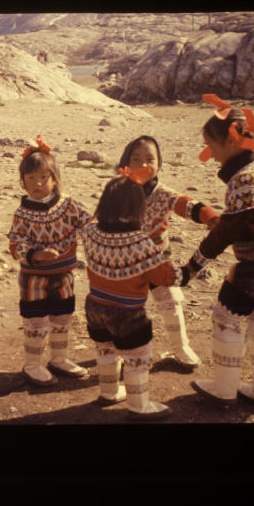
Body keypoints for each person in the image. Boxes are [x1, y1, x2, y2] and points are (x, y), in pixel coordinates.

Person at [181, 94, 254, 410]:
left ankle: (224, 389)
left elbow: (226, 234)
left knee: (226, 318)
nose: (212, 155)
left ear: (231, 141)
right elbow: (252, 218)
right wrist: (227, 221)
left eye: (214, 147)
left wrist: (190, 269)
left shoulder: (243, 180)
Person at [82, 167, 187, 420]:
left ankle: (108, 393)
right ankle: (139, 405)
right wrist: (192, 266)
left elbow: (117, 247)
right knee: (137, 357)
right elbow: (167, 276)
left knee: (105, 350)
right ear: (136, 209)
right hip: (128, 314)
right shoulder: (141, 244)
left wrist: (149, 237)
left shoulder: (89, 231)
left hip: (95, 307)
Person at [117, 135, 220, 370]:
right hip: (126, 264)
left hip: (159, 262)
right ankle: (127, 352)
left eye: (150, 159)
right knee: (129, 308)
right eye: (136, 159)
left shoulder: (162, 193)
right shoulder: (117, 191)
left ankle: (180, 347)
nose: (143, 164)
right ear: (125, 164)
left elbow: (184, 204)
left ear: (159, 165)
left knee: (171, 303)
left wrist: (209, 216)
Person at [7, 135, 94, 386]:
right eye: (31, 178)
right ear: (22, 182)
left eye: (43, 177)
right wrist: (35, 254)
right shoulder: (22, 213)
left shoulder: (69, 206)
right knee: (36, 322)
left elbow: (90, 225)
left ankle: (59, 358)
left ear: (55, 179)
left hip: (64, 274)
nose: (37, 183)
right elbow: (15, 244)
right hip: (34, 278)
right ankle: (32, 364)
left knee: (62, 317)